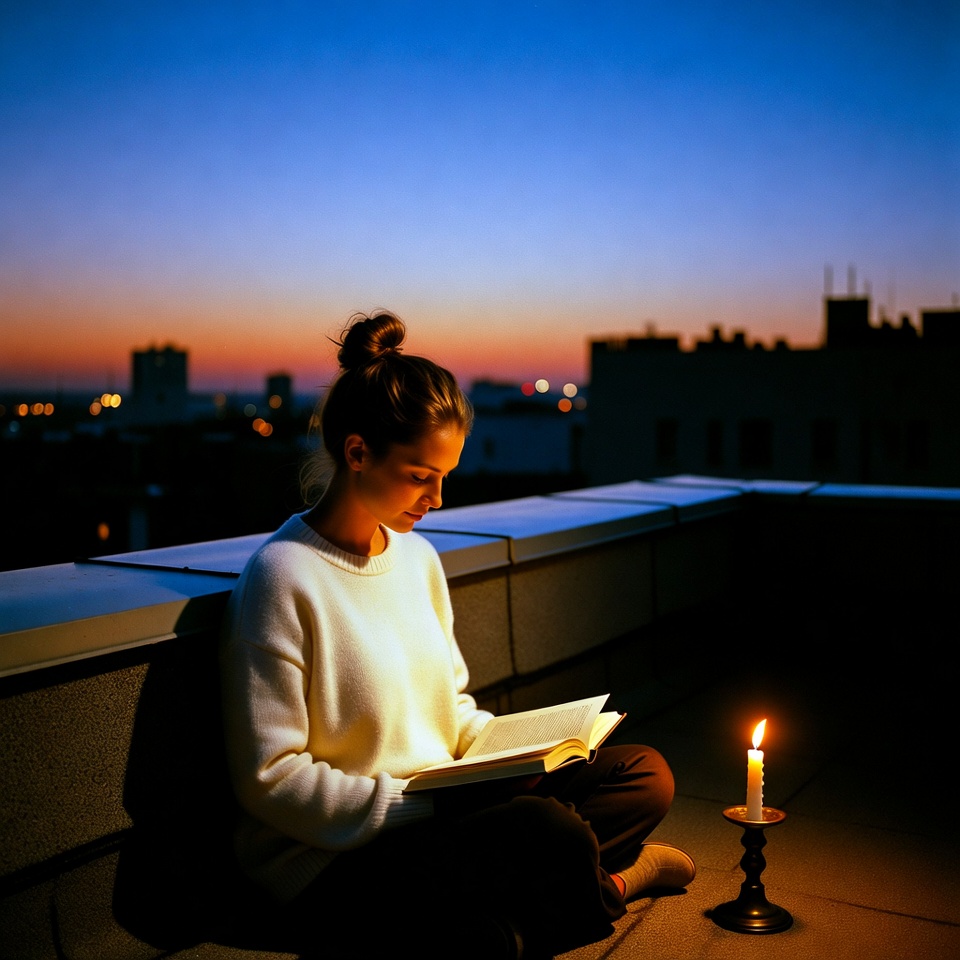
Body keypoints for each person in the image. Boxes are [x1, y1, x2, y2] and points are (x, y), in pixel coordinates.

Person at [220, 310, 695, 959]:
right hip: (336, 857)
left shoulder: (416, 559)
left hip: (445, 808)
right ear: (357, 452)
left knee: (644, 774)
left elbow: (452, 709)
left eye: (446, 476)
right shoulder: (282, 577)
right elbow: (273, 781)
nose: (438, 499)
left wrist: (519, 754)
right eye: (421, 476)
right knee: (542, 841)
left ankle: (518, 906)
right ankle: (609, 886)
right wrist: (426, 806)